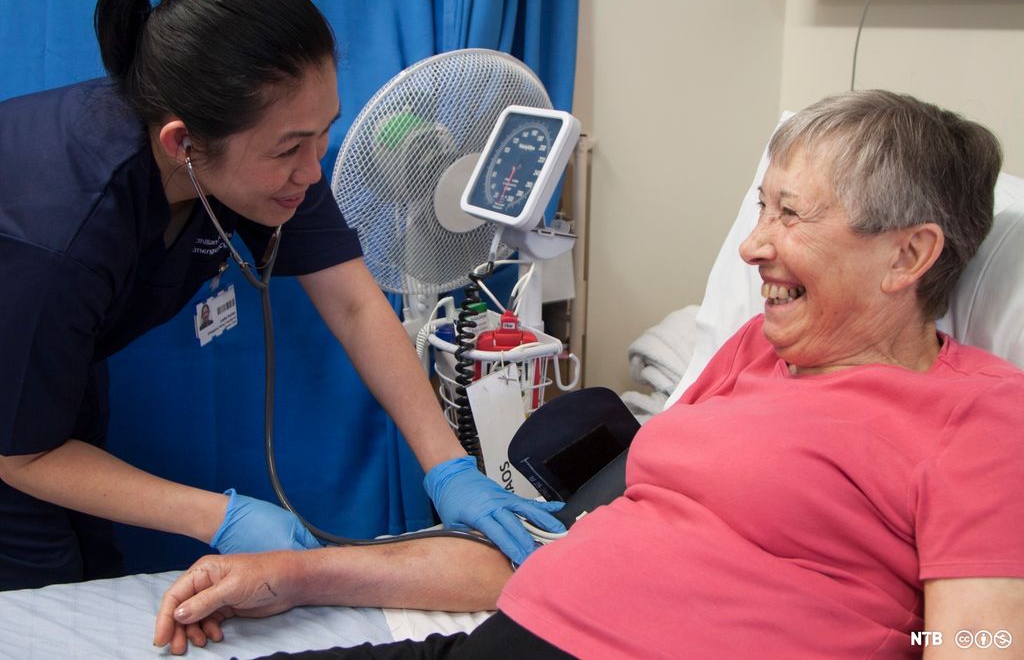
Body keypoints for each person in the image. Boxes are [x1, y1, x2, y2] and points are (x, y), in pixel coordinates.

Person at [152, 90, 1024, 659]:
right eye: (761, 208)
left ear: (909, 255)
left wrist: (889, 639)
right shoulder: (755, 354)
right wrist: (298, 576)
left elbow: (976, 640)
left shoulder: (978, 417)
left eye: (790, 215)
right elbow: (560, 555)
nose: (754, 245)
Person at [0, 0, 565, 592]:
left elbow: (352, 302)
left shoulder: (257, 150)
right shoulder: (58, 242)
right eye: (291, 149)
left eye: (324, 132)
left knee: (92, 568)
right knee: (41, 582)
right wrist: (220, 516)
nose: (313, 169)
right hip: (21, 364)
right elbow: (23, 455)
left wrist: (448, 468)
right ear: (183, 142)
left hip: (42, 364)